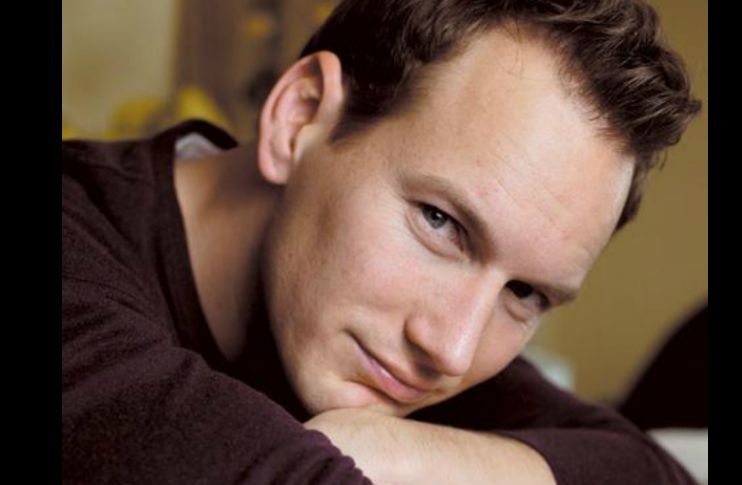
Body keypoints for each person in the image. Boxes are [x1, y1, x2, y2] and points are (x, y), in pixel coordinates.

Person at [62, 0, 703, 483]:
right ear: (299, 117)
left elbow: (652, 471)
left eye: (526, 293)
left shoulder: (383, 330)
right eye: (441, 223)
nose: (451, 352)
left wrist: (399, 452)